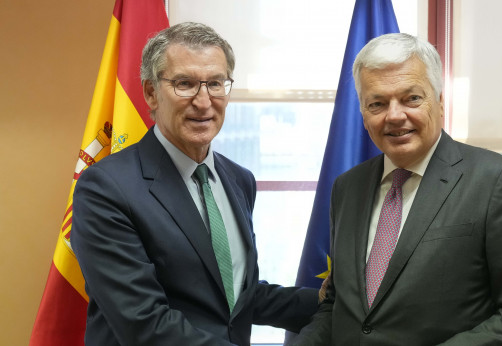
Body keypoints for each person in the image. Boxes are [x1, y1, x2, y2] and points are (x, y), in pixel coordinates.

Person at [292, 33, 502, 345]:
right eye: (377, 103)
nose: (394, 115)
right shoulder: (347, 187)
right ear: (363, 115)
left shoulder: (494, 180)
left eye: (411, 99)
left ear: (440, 102)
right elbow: (339, 305)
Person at [71, 22, 318, 346]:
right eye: (185, 84)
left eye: (216, 83)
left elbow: (234, 295)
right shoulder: (105, 189)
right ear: (151, 92)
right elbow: (144, 323)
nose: (204, 102)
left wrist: (336, 302)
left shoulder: (239, 180)